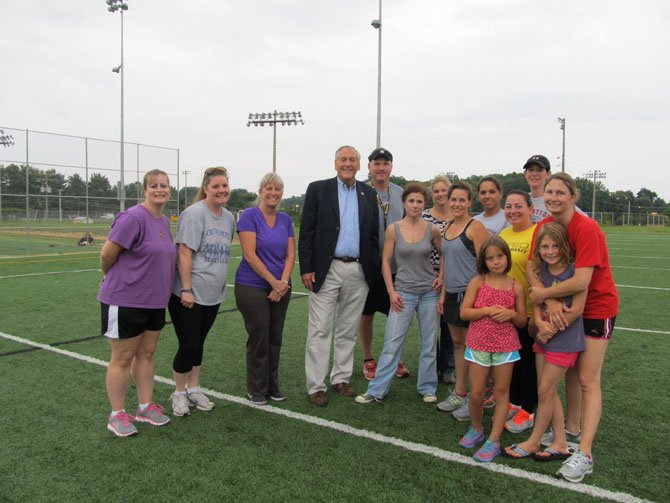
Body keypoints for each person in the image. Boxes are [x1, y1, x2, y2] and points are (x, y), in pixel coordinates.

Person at [526, 172, 619, 483]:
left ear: (573, 197)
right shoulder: (543, 226)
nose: (553, 197)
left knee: (588, 378)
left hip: (595, 308)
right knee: (567, 373)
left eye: (560, 193)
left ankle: (585, 452)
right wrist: (550, 303)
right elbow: (530, 266)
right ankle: (570, 431)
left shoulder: (586, 228)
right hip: (564, 306)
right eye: (549, 192)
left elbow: (581, 281)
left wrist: (544, 296)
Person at [299, 145, 379, 407]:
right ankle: (316, 386)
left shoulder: (368, 193)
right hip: (326, 268)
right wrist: (307, 267)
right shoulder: (318, 189)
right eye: (343, 159)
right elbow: (307, 231)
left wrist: (371, 269)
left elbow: (373, 235)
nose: (347, 163)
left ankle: (341, 378)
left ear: (359, 165)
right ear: (335, 164)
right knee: (320, 328)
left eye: (352, 160)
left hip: (358, 270)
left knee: (347, 328)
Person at [98, 169, 176, 437]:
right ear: (145, 190)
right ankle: (117, 414)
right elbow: (107, 254)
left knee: (146, 354)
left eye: (163, 186)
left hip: (154, 302)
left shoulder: (164, 221)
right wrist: (109, 278)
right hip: (125, 300)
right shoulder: (133, 217)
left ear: (169, 190)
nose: (159, 190)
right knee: (122, 358)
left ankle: (145, 407)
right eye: (153, 185)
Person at [504, 223, 586, 461]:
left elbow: (578, 309)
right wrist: (540, 324)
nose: (550, 251)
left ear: (564, 247)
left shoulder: (574, 272)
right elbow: (537, 302)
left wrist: (551, 330)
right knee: (548, 391)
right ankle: (560, 441)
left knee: (545, 389)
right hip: (543, 338)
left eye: (555, 247)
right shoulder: (541, 273)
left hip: (566, 339)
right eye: (545, 247)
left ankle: (534, 440)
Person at [355, 183, 442, 404]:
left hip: (429, 294)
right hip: (403, 292)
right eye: (411, 201)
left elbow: (445, 255)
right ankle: (376, 390)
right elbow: (385, 261)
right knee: (392, 342)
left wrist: (441, 277)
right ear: (404, 203)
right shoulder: (394, 229)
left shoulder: (432, 230)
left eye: (419, 201)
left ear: (425, 204)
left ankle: (427, 387)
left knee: (429, 342)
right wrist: (391, 292)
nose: (415, 205)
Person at [168, 167, 234, 416]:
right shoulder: (194, 213)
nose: (221, 190)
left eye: (224, 185)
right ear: (206, 188)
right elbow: (184, 252)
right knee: (189, 343)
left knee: (199, 344)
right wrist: (186, 288)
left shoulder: (228, 217)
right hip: (189, 293)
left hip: (213, 293)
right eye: (216, 186)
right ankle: (178, 392)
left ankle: (194, 388)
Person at [457, 236, 526, 462]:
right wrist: (486, 310)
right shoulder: (478, 282)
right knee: (476, 393)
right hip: (478, 343)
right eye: (490, 258)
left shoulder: (516, 287)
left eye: (500, 256)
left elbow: (522, 321)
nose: (496, 261)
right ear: (484, 261)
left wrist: (511, 314)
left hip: (505, 346)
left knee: (501, 392)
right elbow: (464, 312)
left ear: (507, 256)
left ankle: (494, 439)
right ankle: (476, 428)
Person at [235, 173, 295, 406]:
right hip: (252, 285)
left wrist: (282, 283)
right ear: (260, 191)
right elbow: (250, 256)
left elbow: (291, 255)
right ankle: (256, 388)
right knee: (260, 335)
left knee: (275, 338)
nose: (273, 193)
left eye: (278, 189)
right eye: (269, 189)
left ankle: (272, 386)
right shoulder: (250, 216)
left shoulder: (285, 219)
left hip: (280, 286)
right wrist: (274, 282)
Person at [436, 182, 489, 420]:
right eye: (453, 199)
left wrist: (475, 295)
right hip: (451, 296)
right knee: (458, 344)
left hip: (470, 297)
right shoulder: (447, 226)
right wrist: (443, 293)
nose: (456, 204)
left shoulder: (475, 227)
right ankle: (460, 391)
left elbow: (486, 265)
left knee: (474, 349)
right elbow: (445, 262)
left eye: (461, 200)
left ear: (469, 202)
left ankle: (475, 398)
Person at [358, 148, 407, 381]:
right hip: (368, 265)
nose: (381, 167)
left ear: (391, 167)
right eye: (376, 163)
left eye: (385, 163)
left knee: (395, 313)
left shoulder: (400, 193)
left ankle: (394, 358)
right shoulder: (359, 191)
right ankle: (368, 359)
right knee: (366, 313)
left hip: (397, 265)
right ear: (369, 167)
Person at [499, 191, 538, 433]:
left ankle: (529, 410)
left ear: (531, 209)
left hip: (531, 310)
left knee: (528, 364)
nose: (513, 210)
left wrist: (540, 312)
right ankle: (514, 403)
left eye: (519, 206)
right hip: (506, 312)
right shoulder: (503, 234)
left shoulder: (538, 233)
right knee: (511, 361)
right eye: (509, 206)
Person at [421, 175, 455, 384]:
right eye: (436, 191)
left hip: (453, 276)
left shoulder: (458, 215)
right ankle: (431, 365)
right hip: (429, 276)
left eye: (444, 190)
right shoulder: (425, 217)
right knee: (430, 325)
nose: (440, 194)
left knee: (449, 325)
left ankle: (449, 367)